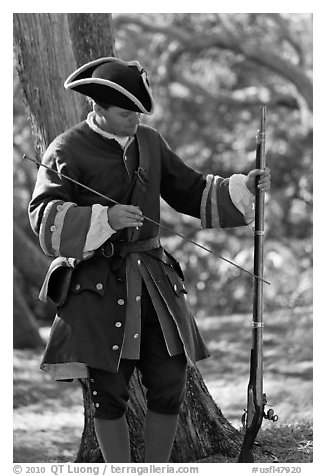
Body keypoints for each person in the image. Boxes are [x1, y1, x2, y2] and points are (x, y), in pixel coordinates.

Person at [28, 57, 271, 463]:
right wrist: (104, 218)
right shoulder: (64, 150)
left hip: (156, 283)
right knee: (109, 394)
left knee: (170, 383)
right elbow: (45, 219)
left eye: (139, 112)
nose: (134, 121)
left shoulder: (151, 142)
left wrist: (243, 187)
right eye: (125, 113)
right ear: (98, 109)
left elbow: (191, 190)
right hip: (98, 287)